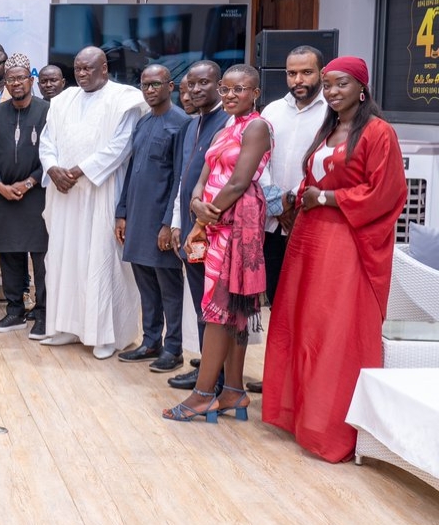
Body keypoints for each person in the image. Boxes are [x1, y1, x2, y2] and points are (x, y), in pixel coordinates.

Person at [263, 57, 407, 462]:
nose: (331, 91)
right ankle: (298, 416)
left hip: (346, 244)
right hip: (308, 241)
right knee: (302, 326)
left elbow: (387, 192)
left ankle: (329, 430)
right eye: (327, 85)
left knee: (334, 332)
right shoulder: (328, 128)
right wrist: (300, 195)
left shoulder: (379, 133)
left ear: (362, 87)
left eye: (340, 83)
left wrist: (327, 198)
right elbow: (315, 175)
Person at [163, 64, 271, 423]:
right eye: (225, 89)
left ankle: (203, 394)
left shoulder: (257, 126)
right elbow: (205, 173)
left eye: (238, 90)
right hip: (214, 224)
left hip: (236, 226)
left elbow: (240, 182)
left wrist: (203, 216)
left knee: (219, 311)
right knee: (229, 312)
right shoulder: (226, 125)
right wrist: (195, 201)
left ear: (254, 93)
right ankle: (234, 391)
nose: (229, 96)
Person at [39, 46, 144, 359]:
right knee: (63, 259)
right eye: (78, 69)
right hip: (65, 194)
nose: (82, 74)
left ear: (104, 69)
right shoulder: (62, 100)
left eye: (88, 69)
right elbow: (47, 141)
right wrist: (52, 168)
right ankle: (66, 327)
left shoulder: (125, 98)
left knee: (102, 260)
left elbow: (121, 146)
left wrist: (80, 170)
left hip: (102, 191)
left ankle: (105, 336)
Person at [246, 45, 327, 394]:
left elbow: (325, 164)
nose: (299, 80)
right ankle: (277, 377)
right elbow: (259, 161)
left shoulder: (331, 112)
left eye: (306, 72)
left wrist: (294, 201)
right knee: (277, 303)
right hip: (271, 221)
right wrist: (279, 204)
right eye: (292, 73)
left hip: (310, 221)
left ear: (320, 72)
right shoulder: (272, 111)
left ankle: (304, 380)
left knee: (307, 304)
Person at [114, 65, 191, 372]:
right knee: (145, 283)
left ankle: (173, 349)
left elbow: (180, 178)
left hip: (160, 220)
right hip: (136, 216)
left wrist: (167, 224)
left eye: (156, 84)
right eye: (145, 84)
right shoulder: (144, 122)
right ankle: (150, 342)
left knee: (168, 286)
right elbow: (132, 172)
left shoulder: (181, 124)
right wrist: (122, 213)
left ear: (170, 86)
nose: (149, 90)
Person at [167, 60, 228, 391]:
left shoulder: (230, 123)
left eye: (204, 83)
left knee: (216, 307)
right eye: (191, 84)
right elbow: (182, 178)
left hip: (216, 231)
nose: (195, 89)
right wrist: (177, 222)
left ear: (218, 85)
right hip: (191, 232)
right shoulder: (192, 125)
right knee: (201, 304)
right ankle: (207, 370)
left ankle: (216, 378)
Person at [0, 62, 50, 336]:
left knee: (41, 259)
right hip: (3, 196)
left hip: (37, 196)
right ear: (6, 84)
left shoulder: (47, 111)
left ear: (31, 80)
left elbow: (53, 154)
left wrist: (30, 181)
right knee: (9, 255)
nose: (16, 83)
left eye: (21, 78)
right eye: (11, 79)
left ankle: (43, 314)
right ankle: (14, 312)